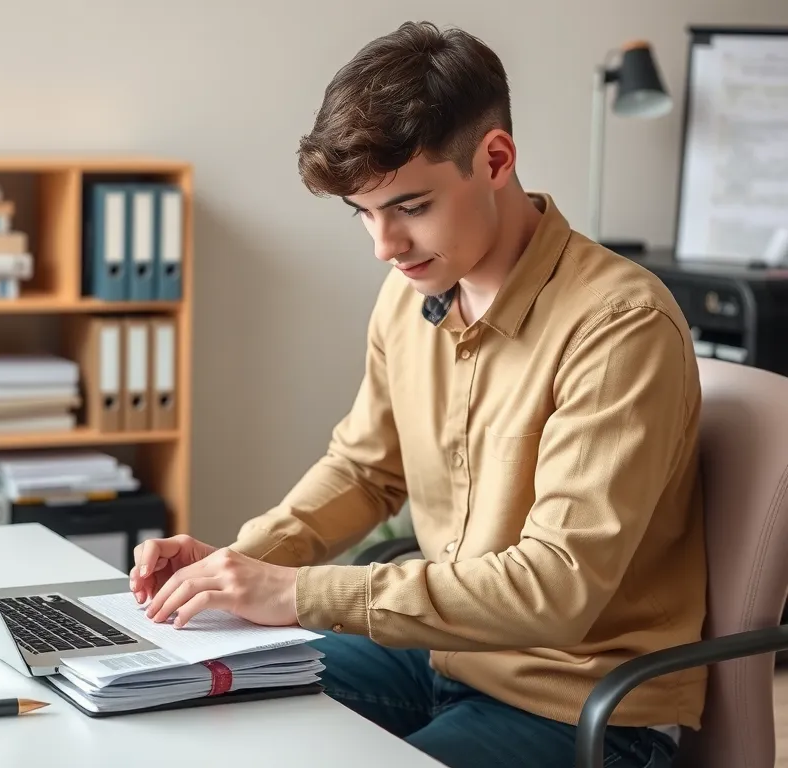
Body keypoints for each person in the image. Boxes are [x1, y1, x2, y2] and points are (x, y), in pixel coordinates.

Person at [129, 20, 706, 768]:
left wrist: (301, 594)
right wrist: (236, 568)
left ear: (495, 159)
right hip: (440, 658)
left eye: (410, 206)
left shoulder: (619, 327)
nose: (384, 245)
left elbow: (556, 589)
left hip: (582, 706)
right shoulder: (411, 295)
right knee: (180, 703)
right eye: (364, 213)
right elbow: (365, 470)